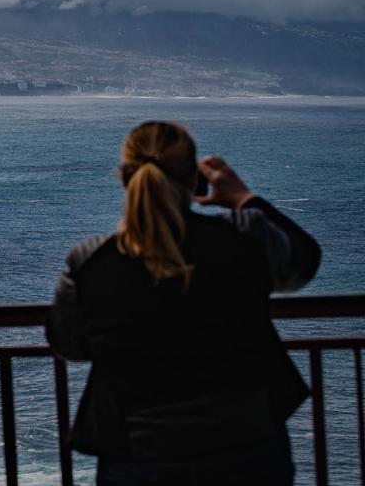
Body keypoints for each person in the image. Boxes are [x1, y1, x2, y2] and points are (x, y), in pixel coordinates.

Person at [47, 121, 321, 486]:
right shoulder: (246, 237)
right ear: (194, 180)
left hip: (139, 454)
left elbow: (70, 345)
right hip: (247, 447)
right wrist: (244, 198)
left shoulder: (89, 262)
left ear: (126, 179)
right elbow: (303, 265)